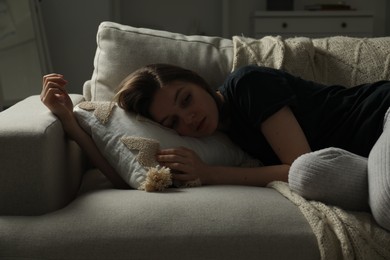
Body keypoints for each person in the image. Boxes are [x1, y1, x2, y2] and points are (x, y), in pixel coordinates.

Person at [41, 64, 390, 230]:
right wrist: (71, 125)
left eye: (186, 99)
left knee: (383, 203)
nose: (188, 119)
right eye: (173, 123)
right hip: (362, 155)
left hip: (382, 114)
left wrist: (208, 174)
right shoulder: (221, 141)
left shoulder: (247, 85)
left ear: (198, 82)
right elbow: (129, 176)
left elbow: (299, 165)